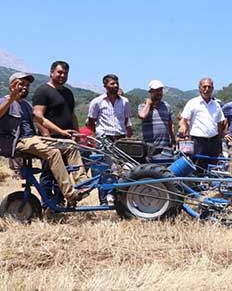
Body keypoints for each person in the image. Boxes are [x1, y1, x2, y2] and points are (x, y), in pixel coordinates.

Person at [0, 72, 89, 205]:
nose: (25, 87)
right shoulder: (5, 101)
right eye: (21, 84)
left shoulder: (25, 105)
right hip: (18, 141)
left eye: (27, 85)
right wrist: (11, 98)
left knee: (71, 145)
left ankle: (83, 183)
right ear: (12, 85)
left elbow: (41, 120)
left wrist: (61, 131)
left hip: (32, 138)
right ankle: (70, 193)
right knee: (53, 152)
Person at [32, 61, 81, 203]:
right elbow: (38, 116)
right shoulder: (43, 91)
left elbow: (72, 115)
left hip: (66, 139)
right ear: (51, 72)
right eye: (59, 72)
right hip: (50, 139)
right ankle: (47, 202)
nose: (62, 75)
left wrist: (77, 134)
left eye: (65, 73)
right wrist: (46, 135)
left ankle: (59, 202)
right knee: (48, 173)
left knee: (63, 172)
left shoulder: (68, 93)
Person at [179, 77, 226, 171]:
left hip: (213, 142)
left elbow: (220, 124)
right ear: (199, 88)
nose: (207, 89)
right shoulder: (192, 103)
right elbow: (184, 120)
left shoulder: (216, 105)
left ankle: (210, 185)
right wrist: (183, 128)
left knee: (213, 168)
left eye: (209, 87)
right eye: (204, 87)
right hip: (198, 142)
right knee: (198, 167)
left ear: (212, 89)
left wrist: (220, 142)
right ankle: (196, 185)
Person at [87, 74, 133, 140]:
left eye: (117, 83)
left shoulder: (125, 101)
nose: (116, 85)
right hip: (104, 138)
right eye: (112, 84)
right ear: (105, 86)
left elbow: (126, 120)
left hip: (120, 137)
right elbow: (91, 121)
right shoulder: (97, 102)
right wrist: (97, 133)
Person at [138, 80, 176, 150]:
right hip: (149, 146)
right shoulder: (143, 106)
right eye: (156, 90)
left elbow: (171, 125)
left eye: (160, 90)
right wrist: (148, 104)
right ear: (150, 92)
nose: (159, 92)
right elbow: (142, 116)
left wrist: (173, 141)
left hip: (165, 146)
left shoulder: (167, 106)